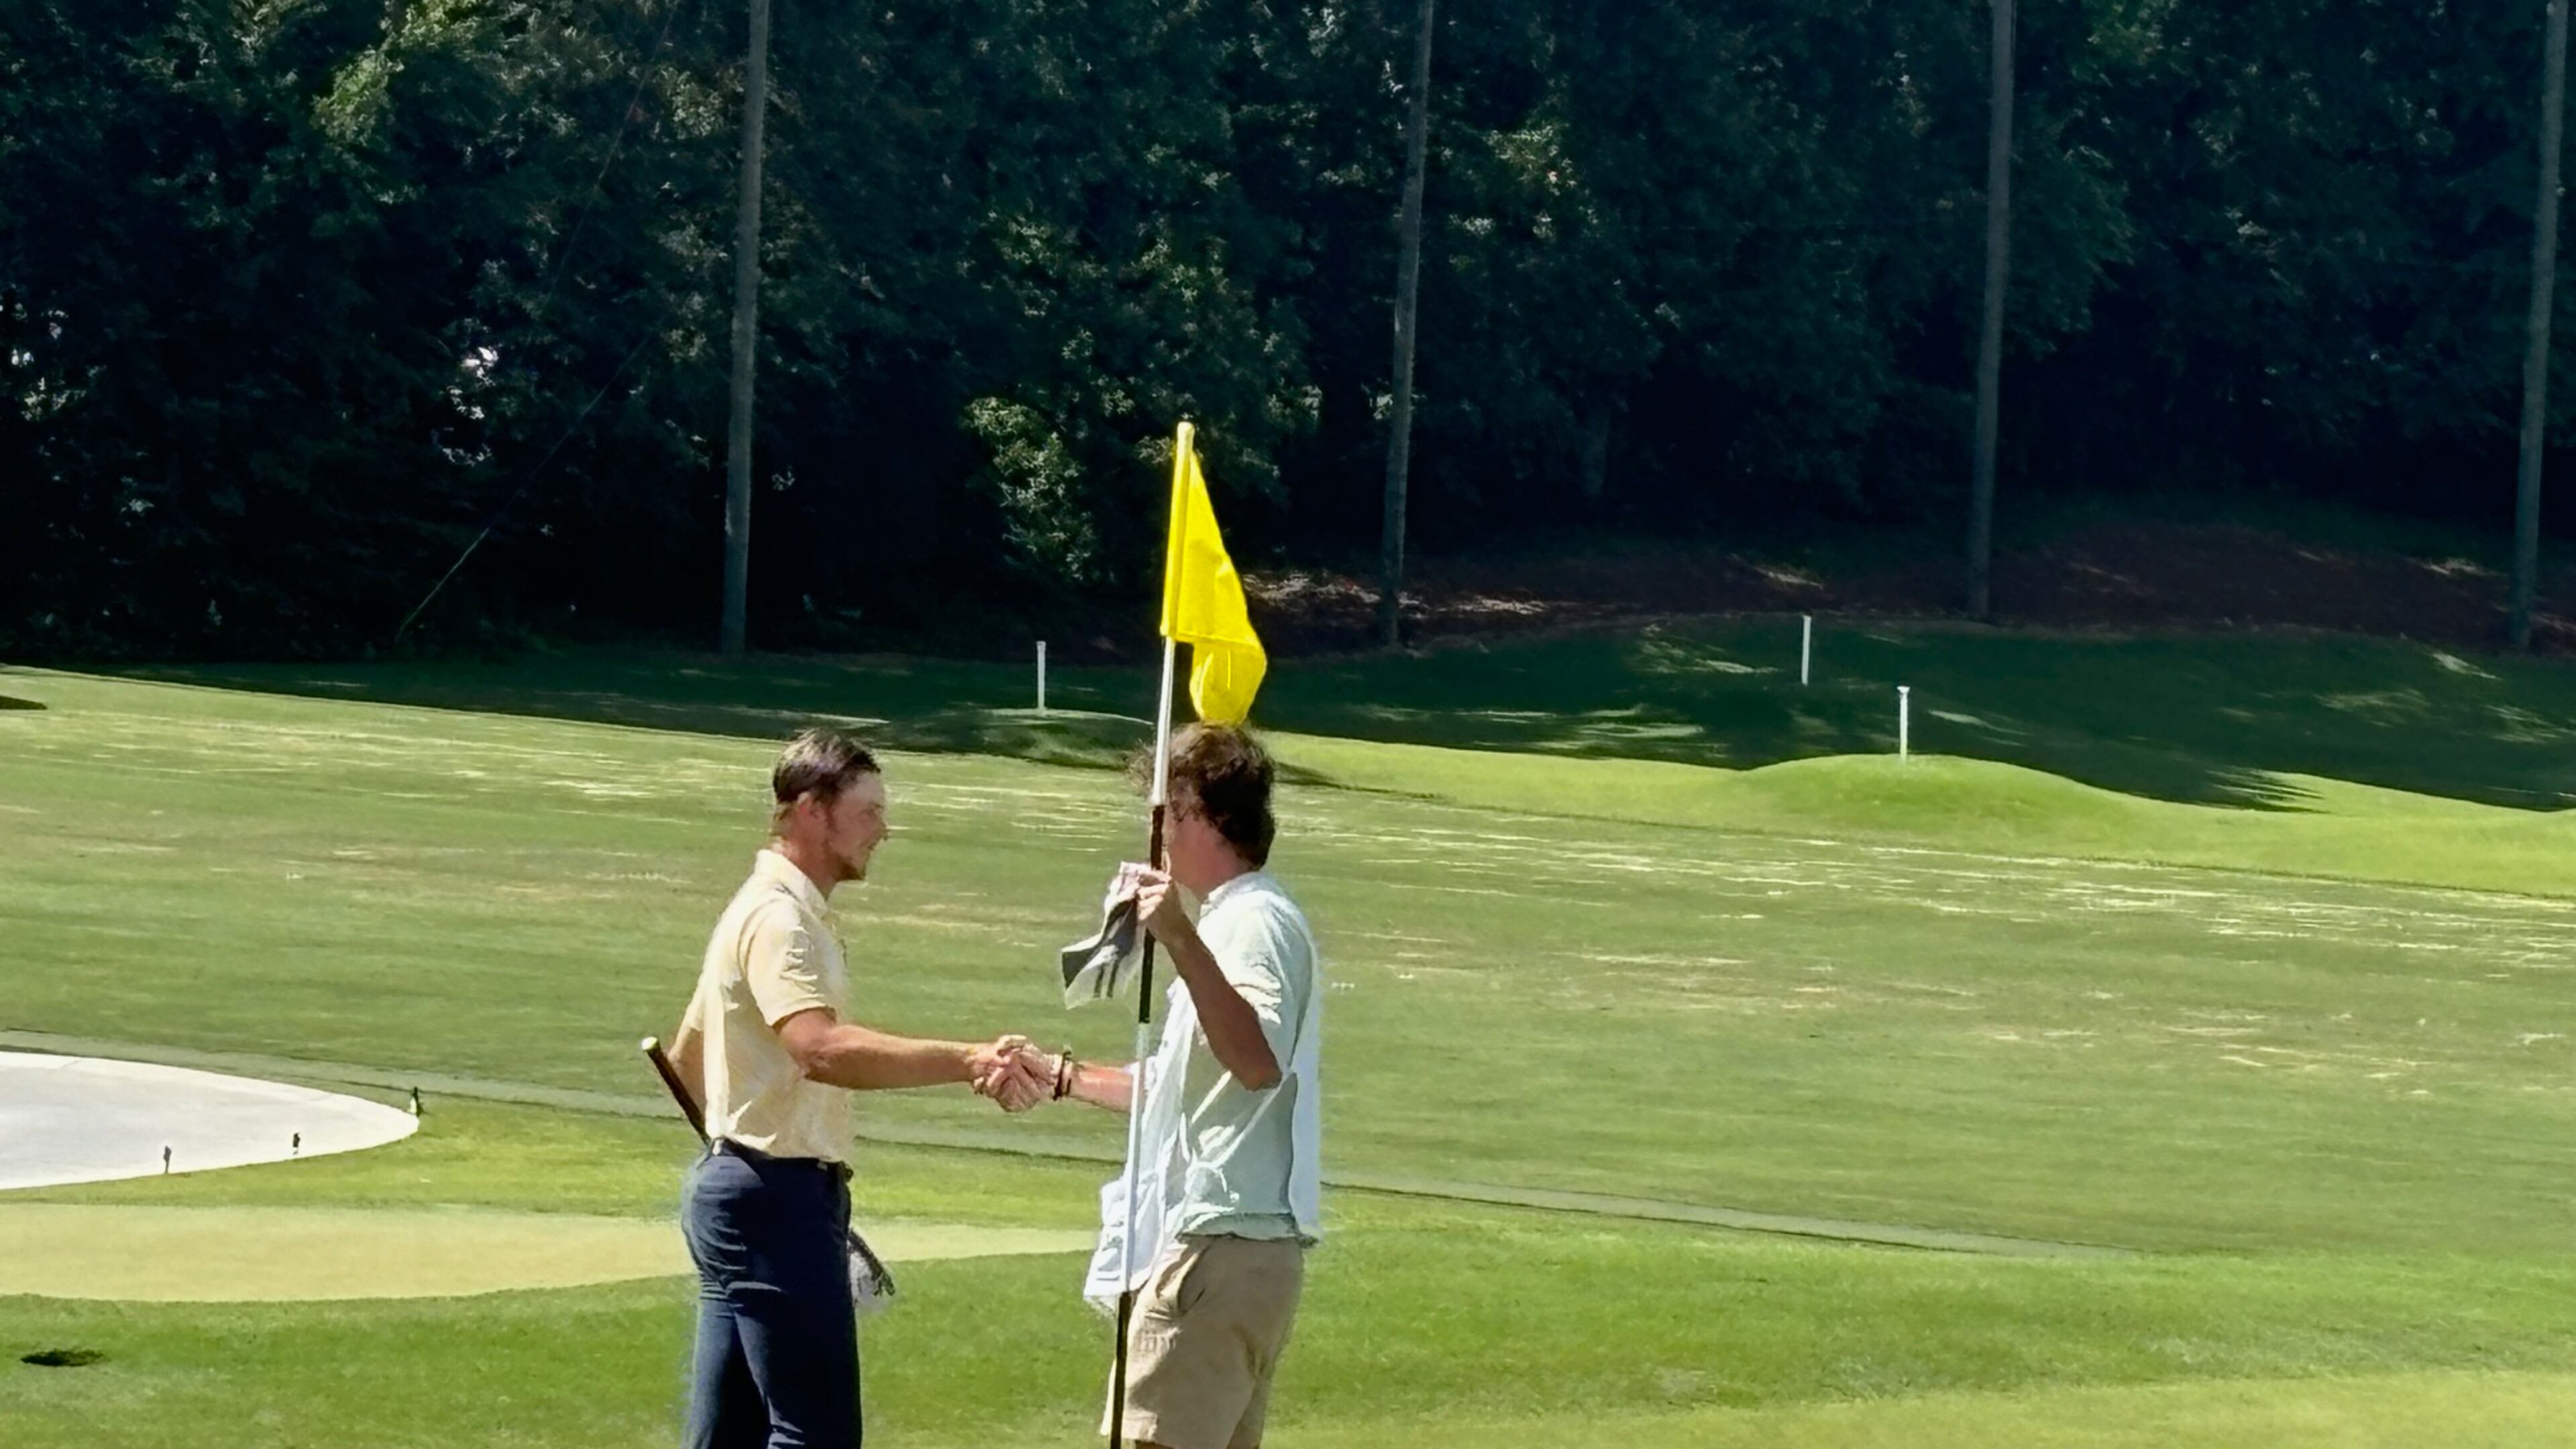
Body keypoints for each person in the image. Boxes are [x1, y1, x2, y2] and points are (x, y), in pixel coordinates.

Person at [664, 726, 1046, 1449]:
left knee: (730, 1435)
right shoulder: (783, 920)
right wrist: (968, 1058)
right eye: (868, 811)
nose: (883, 830)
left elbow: (686, 1058)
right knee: (818, 1433)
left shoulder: (760, 907)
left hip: (741, 1191)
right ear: (813, 811)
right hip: (774, 1197)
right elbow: (820, 1049)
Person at [1046, 723, 1324, 1449]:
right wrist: (1063, 1078)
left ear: (1200, 813)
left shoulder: (1252, 922)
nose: (1157, 836)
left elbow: (1258, 1061)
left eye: (1162, 814)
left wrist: (1179, 938)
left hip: (1219, 1246)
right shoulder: (1236, 919)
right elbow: (1177, 1089)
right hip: (1237, 1247)